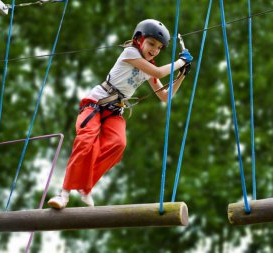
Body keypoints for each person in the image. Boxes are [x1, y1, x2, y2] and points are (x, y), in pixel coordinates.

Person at [47, 19, 193, 209]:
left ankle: (85, 186)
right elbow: (159, 72)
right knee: (85, 142)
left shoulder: (148, 67)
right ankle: (64, 194)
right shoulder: (130, 53)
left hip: (115, 110)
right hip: (95, 104)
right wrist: (180, 61)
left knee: (118, 144)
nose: (154, 50)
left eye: (158, 48)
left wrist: (182, 74)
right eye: (151, 44)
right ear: (139, 40)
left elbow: (165, 97)